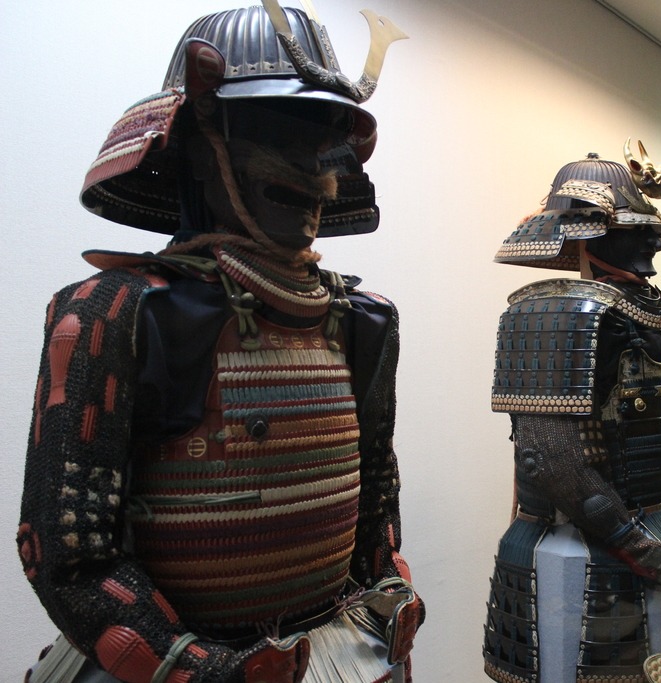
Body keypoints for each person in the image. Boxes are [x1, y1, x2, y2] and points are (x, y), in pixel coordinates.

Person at [16, 3, 423, 682]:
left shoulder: (361, 318)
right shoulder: (115, 312)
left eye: (321, 144)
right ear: (202, 146)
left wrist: (387, 589)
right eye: (279, 135)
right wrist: (205, 669)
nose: (314, 171)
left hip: (334, 648)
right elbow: (70, 555)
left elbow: (374, 491)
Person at [483, 143, 661, 682]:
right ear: (589, 229)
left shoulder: (659, 313)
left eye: (653, 227)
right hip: (579, 544)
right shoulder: (550, 313)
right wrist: (636, 546)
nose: (656, 239)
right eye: (639, 227)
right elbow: (550, 458)